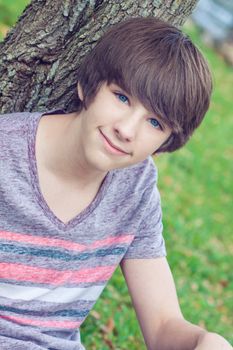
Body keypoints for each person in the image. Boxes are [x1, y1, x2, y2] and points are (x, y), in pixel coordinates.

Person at [0, 17, 231, 350]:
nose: (127, 129)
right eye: (122, 98)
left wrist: (206, 341)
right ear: (88, 85)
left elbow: (163, 323)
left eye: (154, 122)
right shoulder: (7, 154)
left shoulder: (135, 188)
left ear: (167, 141)